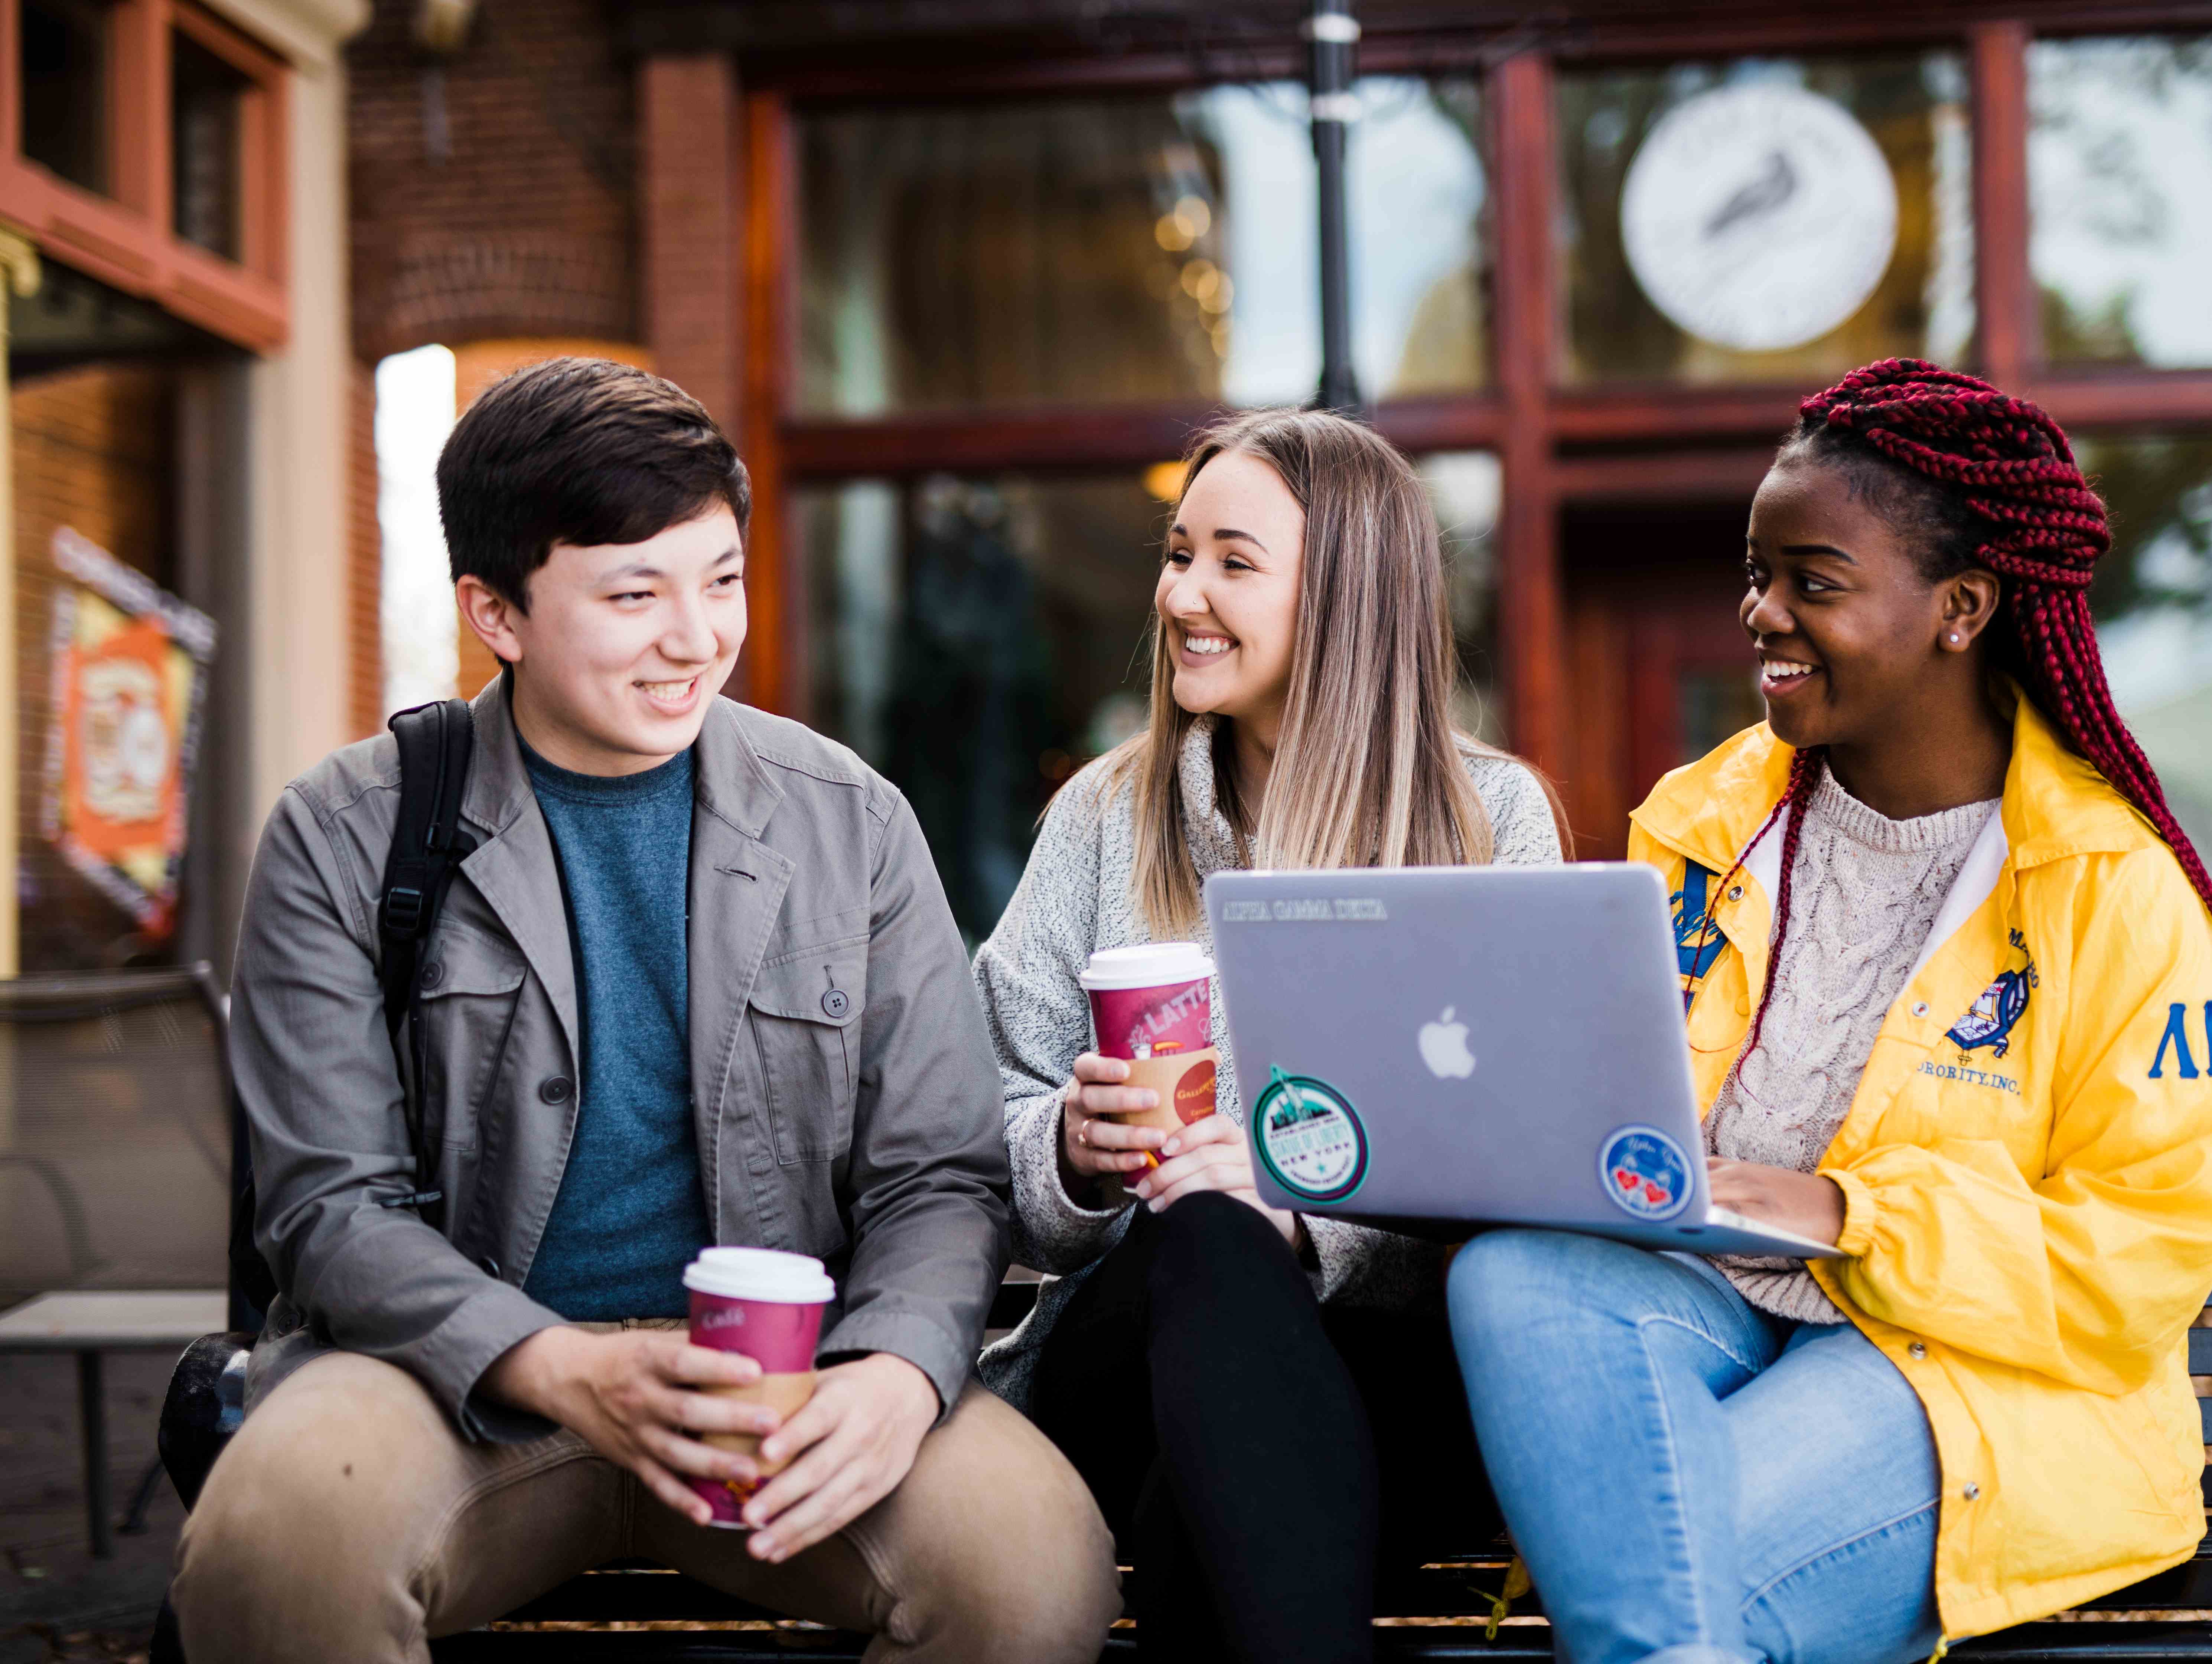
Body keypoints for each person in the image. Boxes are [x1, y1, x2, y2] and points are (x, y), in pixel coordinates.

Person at [170, 358, 1119, 1664]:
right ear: (494, 611)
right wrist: (559, 1367)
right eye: (635, 594)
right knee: (271, 1555)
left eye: (721, 579)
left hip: (787, 1384)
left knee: (1033, 1571)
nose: (697, 638)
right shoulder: (346, 829)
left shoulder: (852, 818)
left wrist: (898, 1369)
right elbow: (329, 1210)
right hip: (450, 1384)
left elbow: (940, 1177)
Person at [1446, 360, 2212, 1664]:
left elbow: (2145, 1261)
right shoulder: (1703, 821)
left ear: (1960, 608)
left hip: (1958, 1369)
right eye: (1758, 574)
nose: (1762, 614)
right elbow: (1613, 1088)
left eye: (1812, 582)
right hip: (1711, 1304)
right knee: (1515, 1273)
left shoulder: (2112, 890)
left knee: (1679, 1578)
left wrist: (1844, 1212)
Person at [973, 408, 1564, 1661]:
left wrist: (1307, 1204)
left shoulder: (1489, 819)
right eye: (1180, 552)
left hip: (1386, 1369)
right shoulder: (1103, 815)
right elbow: (981, 1123)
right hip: (1124, 1351)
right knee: (1210, 1245)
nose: (1183, 592)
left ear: (1348, 597)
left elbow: (1526, 1157)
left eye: (1234, 563)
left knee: (1225, 1479)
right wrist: (1072, 1150)